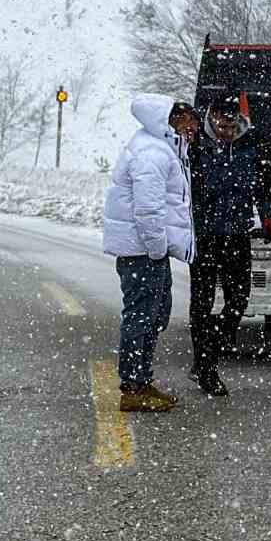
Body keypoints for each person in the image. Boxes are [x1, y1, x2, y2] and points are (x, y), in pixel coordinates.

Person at [102, 93, 199, 412]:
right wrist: (158, 249)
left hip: (147, 251)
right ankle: (132, 387)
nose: (193, 128)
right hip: (143, 251)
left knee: (154, 314)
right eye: (189, 121)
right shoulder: (152, 152)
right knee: (142, 316)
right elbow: (147, 209)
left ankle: (141, 380)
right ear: (172, 119)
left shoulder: (160, 147)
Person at [187, 95, 271, 397]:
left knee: (239, 299)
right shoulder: (196, 145)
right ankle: (206, 368)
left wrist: (267, 216)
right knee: (202, 303)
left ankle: (211, 345)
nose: (226, 131)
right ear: (212, 118)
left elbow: (260, 185)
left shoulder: (248, 145)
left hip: (237, 233)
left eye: (231, 125)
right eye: (221, 126)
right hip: (205, 235)